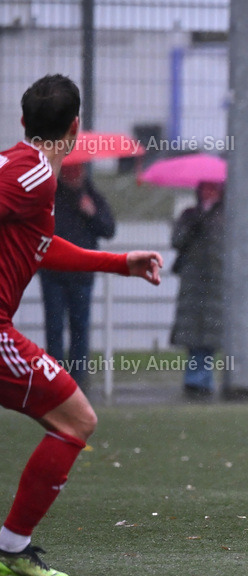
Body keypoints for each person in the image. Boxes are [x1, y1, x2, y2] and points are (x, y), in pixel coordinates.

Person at [0, 74, 162, 576]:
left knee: (72, 420)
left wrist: (118, 262)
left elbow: (41, 247)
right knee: (76, 421)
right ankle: (9, 550)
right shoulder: (32, 176)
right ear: (75, 128)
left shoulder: (25, 167)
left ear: (24, 122)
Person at [170, 181, 248, 401]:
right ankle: (195, 380)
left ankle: (201, 380)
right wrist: (195, 224)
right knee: (194, 334)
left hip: (216, 284)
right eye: (205, 188)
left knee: (209, 335)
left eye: (213, 188)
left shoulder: (229, 216)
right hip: (193, 284)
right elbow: (177, 241)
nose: (208, 193)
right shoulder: (189, 215)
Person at [38, 162, 116, 392]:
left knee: (80, 326)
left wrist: (91, 213)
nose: (73, 175)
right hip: (53, 273)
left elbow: (109, 229)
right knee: (54, 326)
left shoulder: (92, 197)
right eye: (69, 170)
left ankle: (77, 379)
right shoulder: (49, 196)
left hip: (82, 275)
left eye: (77, 170)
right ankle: (54, 378)